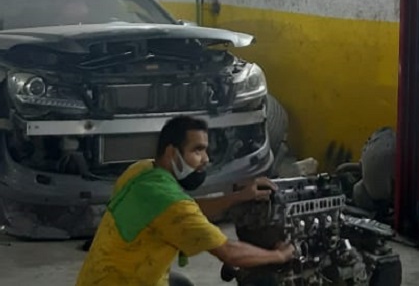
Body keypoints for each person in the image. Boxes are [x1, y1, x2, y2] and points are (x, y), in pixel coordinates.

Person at [76, 116, 295, 286]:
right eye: (197, 150)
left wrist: (239, 197)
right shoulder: (173, 205)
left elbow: (184, 210)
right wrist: (279, 255)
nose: (206, 159)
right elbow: (230, 253)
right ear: (172, 153)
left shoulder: (140, 171)